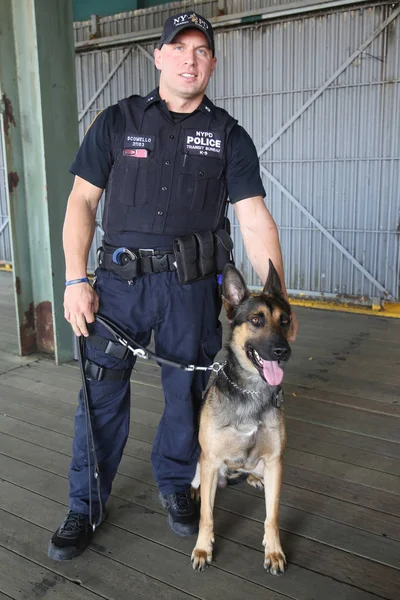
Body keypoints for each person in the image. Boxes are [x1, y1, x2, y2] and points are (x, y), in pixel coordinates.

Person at [48, 10, 298, 561]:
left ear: (212, 62)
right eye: (178, 48)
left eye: (201, 50)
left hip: (191, 289)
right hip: (118, 286)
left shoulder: (228, 135)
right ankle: (84, 504)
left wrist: (274, 299)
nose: (190, 58)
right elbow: (81, 202)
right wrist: (73, 279)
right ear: (158, 56)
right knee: (100, 393)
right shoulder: (117, 121)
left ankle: (179, 485)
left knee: (188, 396)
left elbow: (254, 217)